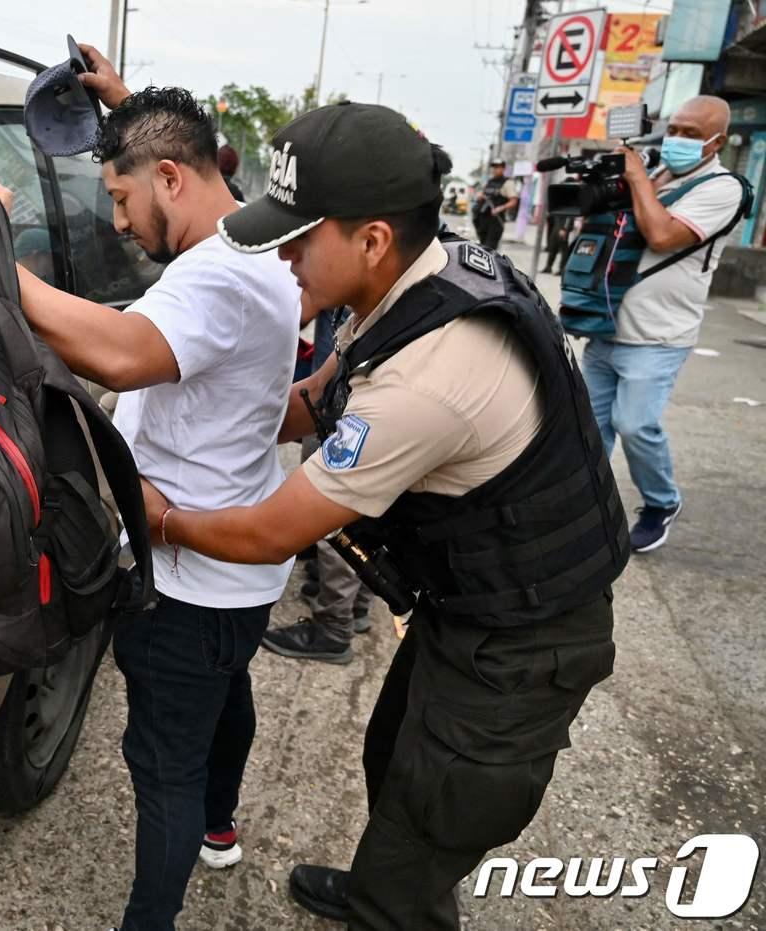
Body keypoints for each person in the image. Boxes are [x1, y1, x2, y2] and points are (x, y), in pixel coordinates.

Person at [142, 102, 629, 929]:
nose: (282, 252)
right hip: (469, 604)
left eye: (300, 236)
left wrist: (163, 519)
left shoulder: (427, 381)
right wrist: (217, 409)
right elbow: (314, 398)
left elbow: (272, 532)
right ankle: (386, 873)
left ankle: (392, 899)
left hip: (526, 635)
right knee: (397, 757)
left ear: (370, 239)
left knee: (438, 807)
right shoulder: (417, 281)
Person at [0, 48, 300, 931]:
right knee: (226, 695)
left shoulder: (216, 277)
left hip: (186, 574)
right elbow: (201, 159)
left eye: (122, 200)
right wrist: (129, 111)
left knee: (160, 759)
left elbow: (120, 352)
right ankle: (220, 825)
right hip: (237, 579)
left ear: (170, 177)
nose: (118, 224)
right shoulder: (257, 235)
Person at [581, 95, 748, 552]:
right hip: (607, 324)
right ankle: (587, 512)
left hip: (658, 335)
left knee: (634, 424)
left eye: (692, 134)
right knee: (589, 433)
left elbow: (662, 234)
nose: (678, 139)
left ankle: (661, 501)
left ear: (718, 141)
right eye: (675, 128)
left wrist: (636, 178)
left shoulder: (723, 188)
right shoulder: (657, 173)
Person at [264, 292, 373, 665]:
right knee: (358, 511)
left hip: (343, 404)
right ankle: (355, 605)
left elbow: (300, 308)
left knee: (332, 513)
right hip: (351, 396)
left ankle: (333, 627)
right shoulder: (402, 283)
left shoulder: (354, 274)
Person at [471, 157, 518, 252]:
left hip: (496, 220)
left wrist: (501, 208)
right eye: (493, 167)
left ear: (503, 168)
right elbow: (482, 196)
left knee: (489, 248)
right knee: (482, 245)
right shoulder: (489, 182)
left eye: (498, 167)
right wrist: (480, 196)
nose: (495, 169)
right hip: (483, 218)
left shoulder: (508, 183)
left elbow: (514, 201)